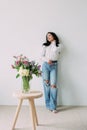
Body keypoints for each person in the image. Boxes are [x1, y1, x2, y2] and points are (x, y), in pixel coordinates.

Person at [41, 32, 62, 113]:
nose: (48, 37)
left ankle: (53, 107)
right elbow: (41, 56)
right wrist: (47, 60)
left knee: (53, 85)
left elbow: (55, 51)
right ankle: (48, 105)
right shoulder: (45, 45)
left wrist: (54, 42)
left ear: (53, 36)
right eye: (47, 36)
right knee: (46, 85)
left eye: (50, 35)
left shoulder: (58, 45)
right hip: (46, 65)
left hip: (54, 65)